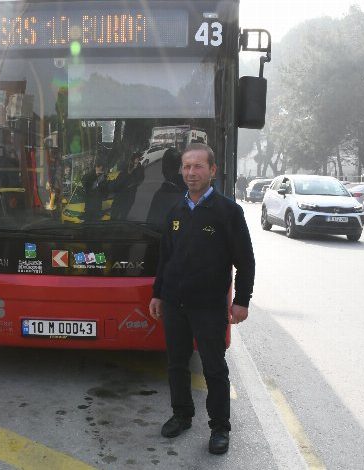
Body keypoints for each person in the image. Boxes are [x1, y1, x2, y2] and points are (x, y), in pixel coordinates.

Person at [148, 143, 255, 455]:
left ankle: (220, 427)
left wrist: (242, 301)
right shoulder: (175, 211)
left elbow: (245, 261)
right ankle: (182, 415)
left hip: (208, 307)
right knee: (176, 364)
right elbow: (165, 258)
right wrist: (158, 294)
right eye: (186, 167)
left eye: (197, 167)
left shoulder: (228, 212)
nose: (191, 173)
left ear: (212, 171)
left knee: (214, 368)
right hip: (174, 304)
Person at [146, 148, 186, 226]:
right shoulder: (193, 191)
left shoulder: (161, 195)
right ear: (179, 167)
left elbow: (151, 226)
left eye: (166, 166)